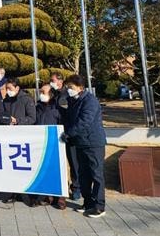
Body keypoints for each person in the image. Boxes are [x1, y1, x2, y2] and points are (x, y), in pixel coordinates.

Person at [64, 75, 107, 218]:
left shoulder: (90, 101)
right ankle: (88, 203)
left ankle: (99, 206)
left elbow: (84, 122)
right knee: (83, 175)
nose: (68, 90)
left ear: (80, 88)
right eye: (67, 87)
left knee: (96, 174)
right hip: (80, 143)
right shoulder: (73, 100)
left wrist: (69, 133)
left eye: (71, 87)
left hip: (93, 143)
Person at [1, 78, 36, 205]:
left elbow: (32, 118)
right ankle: (13, 193)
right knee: (12, 167)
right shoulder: (6, 100)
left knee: (25, 168)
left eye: (10, 89)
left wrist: (17, 121)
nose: (8, 91)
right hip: (10, 138)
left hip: (24, 137)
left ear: (17, 88)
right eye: (7, 89)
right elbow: (3, 116)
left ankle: (30, 196)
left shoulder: (26, 99)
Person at [34, 83, 66, 209]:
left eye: (44, 92)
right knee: (44, 169)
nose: (41, 94)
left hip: (55, 144)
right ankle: (48, 196)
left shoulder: (57, 109)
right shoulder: (37, 108)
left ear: (51, 94)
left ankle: (61, 198)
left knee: (58, 170)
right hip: (41, 144)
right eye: (40, 91)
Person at [50, 72, 80, 201]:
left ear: (60, 82)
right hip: (57, 133)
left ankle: (76, 188)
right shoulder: (54, 94)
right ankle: (62, 187)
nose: (51, 83)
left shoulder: (67, 95)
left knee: (73, 162)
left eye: (53, 80)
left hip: (68, 133)